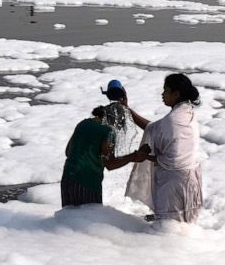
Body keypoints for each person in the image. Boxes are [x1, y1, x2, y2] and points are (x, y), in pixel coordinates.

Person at [125, 73, 203, 223]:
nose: (162, 94)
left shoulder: (173, 120)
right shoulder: (187, 113)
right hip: (190, 181)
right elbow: (153, 128)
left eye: (166, 90)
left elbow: (172, 162)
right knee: (184, 227)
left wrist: (145, 156)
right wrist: (128, 110)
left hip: (174, 185)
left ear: (176, 94)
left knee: (168, 230)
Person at [61, 106, 148, 207]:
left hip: (67, 178)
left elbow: (68, 152)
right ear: (116, 120)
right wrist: (133, 156)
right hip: (88, 182)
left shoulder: (83, 124)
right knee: (89, 219)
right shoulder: (108, 131)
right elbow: (110, 164)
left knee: (68, 218)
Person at [98, 79, 140, 158]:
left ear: (108, 95)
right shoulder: (124, 111)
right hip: (111, 141)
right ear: (123, 96)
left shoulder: (103, 110)